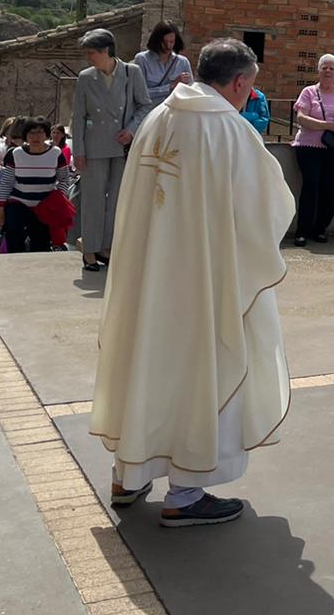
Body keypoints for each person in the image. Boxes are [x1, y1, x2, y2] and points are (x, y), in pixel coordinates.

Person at [91, 37, 293, 529]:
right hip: (204, 281)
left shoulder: (158, 117)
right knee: (204, 370)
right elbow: (266, 209)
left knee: (147, 363)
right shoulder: (229, 129)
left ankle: (129, 476)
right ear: (240, 82)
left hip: (148, 278)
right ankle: (185, 493)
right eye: (251, 87)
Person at [71, 29, 153, 272]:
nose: (89, 57)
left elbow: (145, 105)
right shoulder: (85, 77)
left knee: (117, 200)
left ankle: (107, 247)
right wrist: (78, 151)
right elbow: (78, 116)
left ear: (106, 50)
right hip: (93, 146)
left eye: (92, 52)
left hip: (122, 146)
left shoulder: (131, 72)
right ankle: (89, 250)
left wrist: (131, 130)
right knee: (92, 199)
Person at [290, 55, 334, 247]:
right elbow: (302, 118)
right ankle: (302, 231)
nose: (327, 71)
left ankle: (320, 229)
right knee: (311, 187)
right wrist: (327, 126)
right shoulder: (308, 92)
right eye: (324, 67)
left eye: (331, 68)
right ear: (318, 70)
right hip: (309, 147)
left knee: (330, 189)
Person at [0, 117, 72, 254]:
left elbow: (64, 179)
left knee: (40, 246)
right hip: (18, 204)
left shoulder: (56, 153)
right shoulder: (16, 154)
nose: (35, 137)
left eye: (39, 132)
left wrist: (57, 198)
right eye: (31, 133)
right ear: (25, 135)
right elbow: (7, 182)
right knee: (14, 242)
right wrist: (1, 208)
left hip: (44, 207)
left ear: (46, 134)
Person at [134, 21, 194, 110]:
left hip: (173, 112)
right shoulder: (142, 59)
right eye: (165, 42)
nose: (168, 46)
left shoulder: (183, 62)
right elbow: (139, 94)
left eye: (171, 42)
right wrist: (170, 86)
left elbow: (191, 92)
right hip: (149, 113)